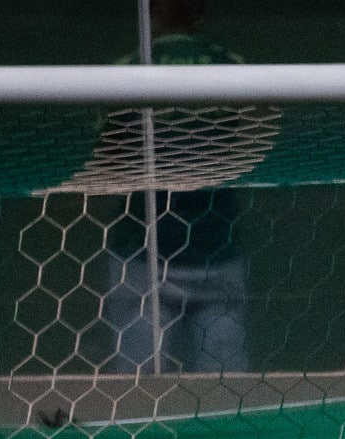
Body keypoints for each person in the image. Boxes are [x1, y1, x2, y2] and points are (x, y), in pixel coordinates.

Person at [104, 0, 250, 373]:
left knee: (137, 390)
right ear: (203, 12)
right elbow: (254, 140)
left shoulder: (129, 69)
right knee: (225, 390)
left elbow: (108, 152)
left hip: (142, 248)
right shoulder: (232, 66)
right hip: (216, 245)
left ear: (149, 12)